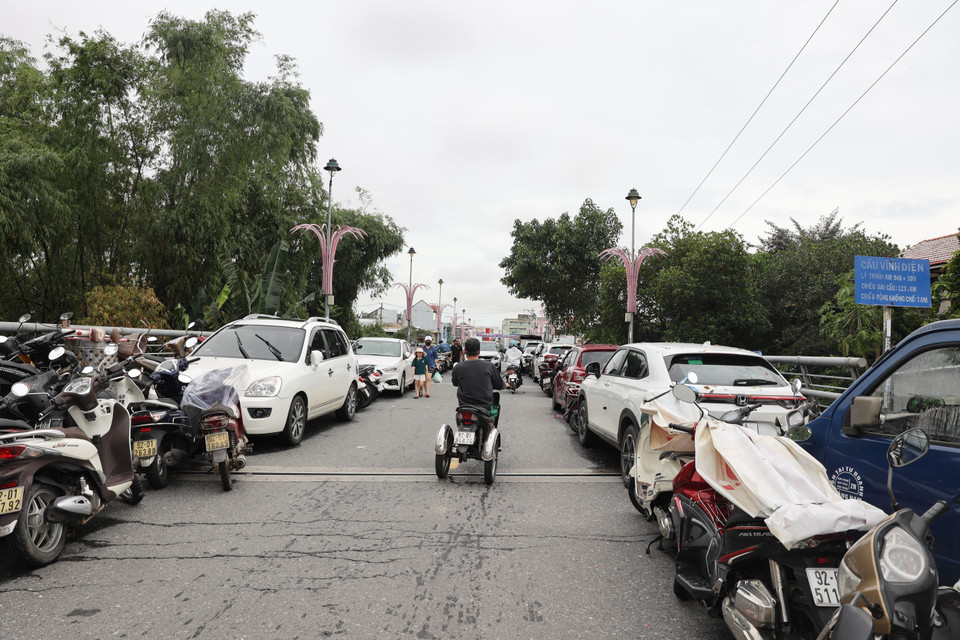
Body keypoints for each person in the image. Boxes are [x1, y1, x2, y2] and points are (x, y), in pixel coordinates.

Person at [451, 337, 504, 413]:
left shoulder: (458, 367)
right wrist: (506, 384)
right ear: (479, 351)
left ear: (465, 351)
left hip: (464, 406)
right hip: (484, 407)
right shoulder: (489, 366)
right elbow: (499, 384)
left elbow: (455, 383)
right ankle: (491, 424)